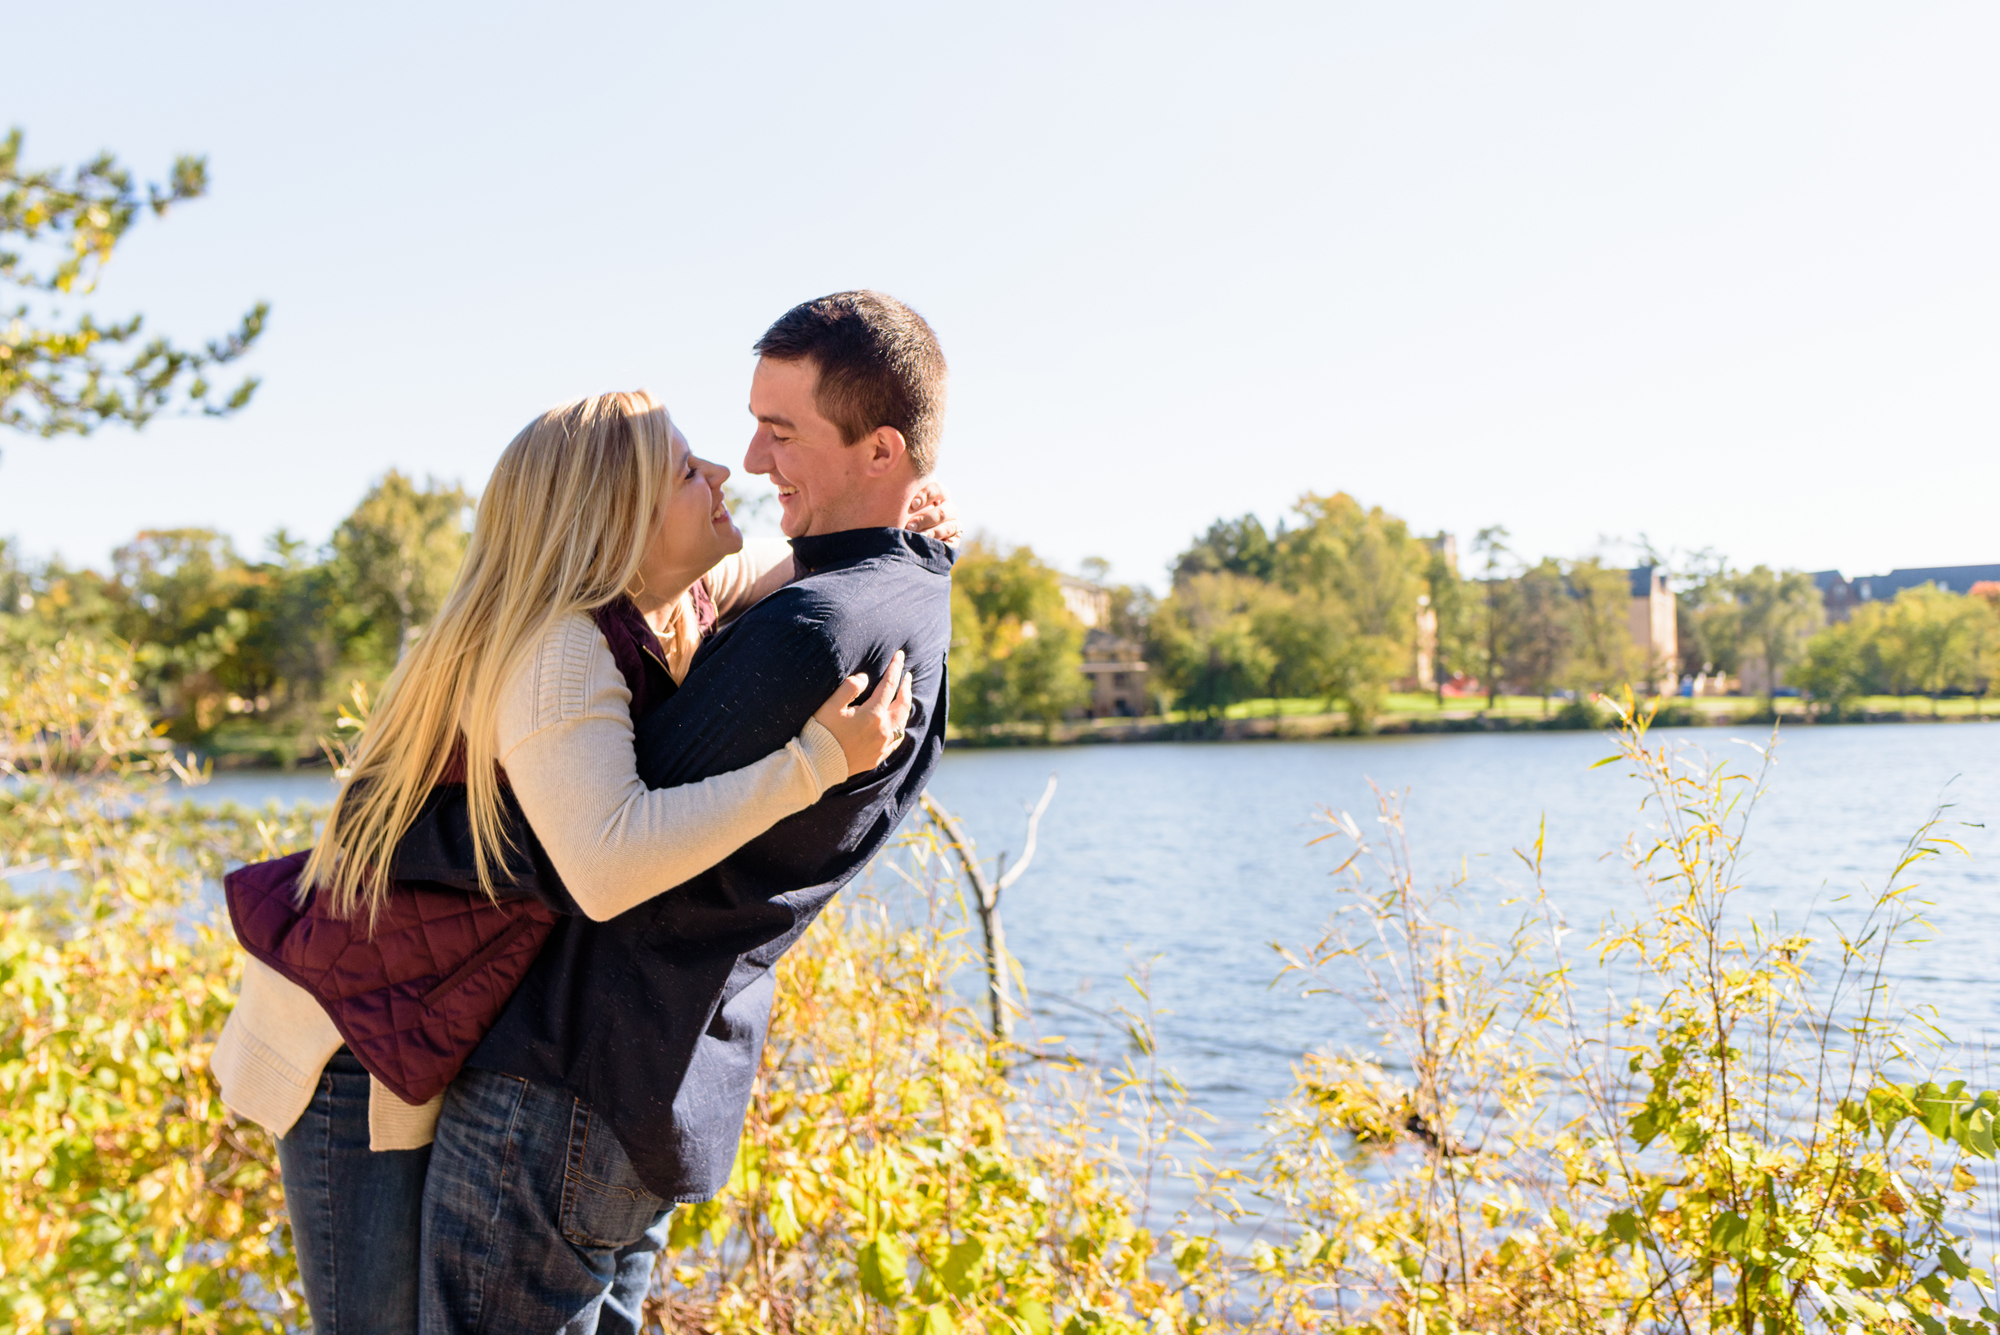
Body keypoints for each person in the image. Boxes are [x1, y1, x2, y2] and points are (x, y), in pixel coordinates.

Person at [211, 386, 957, 1333]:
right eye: (689, 472)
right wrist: (812, 765)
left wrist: (903, 526)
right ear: (618, 522)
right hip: (362, 1034)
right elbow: (606, 866)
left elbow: (797, 558)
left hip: (437, 1008)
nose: (728, 472)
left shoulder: (669, 595)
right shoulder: (560, 650)